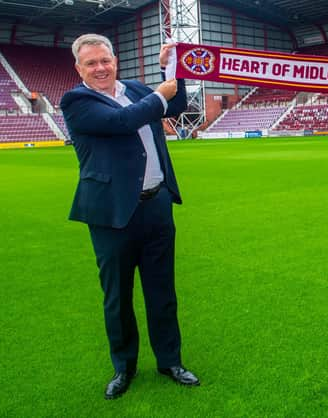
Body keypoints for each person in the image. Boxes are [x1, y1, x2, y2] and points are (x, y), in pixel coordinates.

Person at [61, 33, 200, 400]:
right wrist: (160, 93)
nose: (100, 68)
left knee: (162, 292)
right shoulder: (77, 100)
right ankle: (124, 367)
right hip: (111, 214)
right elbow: (123, 121)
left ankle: (170, 361)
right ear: (79, 69)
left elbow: (175, 104)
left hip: (156, 206)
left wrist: (174, 67)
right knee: (117, 296)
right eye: (91, 63)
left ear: (115, 59)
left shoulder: (137, 89)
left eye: (104, 60)